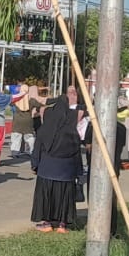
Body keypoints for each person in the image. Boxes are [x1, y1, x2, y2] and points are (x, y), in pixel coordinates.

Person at [32, 87, 84, 233]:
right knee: (64, 198)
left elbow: (37, 149)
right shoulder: (72, 133)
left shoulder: (44, 130)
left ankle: (47, 223)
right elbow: (77, 154)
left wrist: (35, 165)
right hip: (66, 171)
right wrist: (79, 171)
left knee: (47, 197)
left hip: (47, 168)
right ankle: (62, 225)